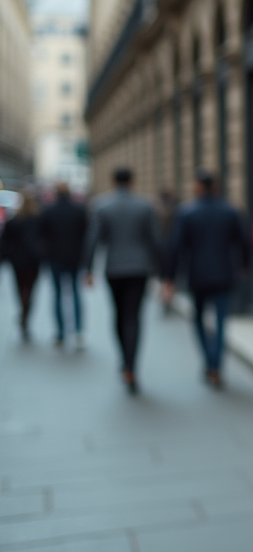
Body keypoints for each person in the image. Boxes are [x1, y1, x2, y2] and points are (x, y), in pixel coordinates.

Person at [162, 170, 251, 389]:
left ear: (198, 187)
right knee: (221, 322)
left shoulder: (187, 213)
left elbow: (175, 247)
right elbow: (245, 242)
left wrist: (169, 278)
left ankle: (209, 361)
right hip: (223, 274)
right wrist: (244, 266)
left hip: (198, 275)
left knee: (199, 320)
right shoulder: (229, 211)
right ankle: (216, 365)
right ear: (216, 187)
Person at [85, 168, 161, 394]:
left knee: (119, 315)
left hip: (115, 269)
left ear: (112, 181)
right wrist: (163, 272)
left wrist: (88, 269)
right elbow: (155, 240)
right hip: (139, 269)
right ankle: (131, 365)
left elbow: (93, 239)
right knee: (133, 317)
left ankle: (125, 361)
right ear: (133, 181)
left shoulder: (102, 205)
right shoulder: (145, 206)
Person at [40, 182, 89, 349]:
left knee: (58, 295)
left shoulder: (49, 210)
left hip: (55, 259)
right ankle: (78, 332)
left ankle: (60, 333)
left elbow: (43, 236)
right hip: (75, 258)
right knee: (76, 293)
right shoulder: (79, 210)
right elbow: (86, 235)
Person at [0, 190, 44, 342]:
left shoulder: (14, 221)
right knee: (30, 290)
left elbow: (5, 242)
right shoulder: (38, 220)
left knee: (20, 288)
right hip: (33, 261)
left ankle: (23, 312)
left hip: (17, 262)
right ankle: (25, 314)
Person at [155, 187, 179, 315]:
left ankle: (165, 298)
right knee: (171, 276)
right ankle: (168, 299)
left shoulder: (157, 211)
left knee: (164, 277)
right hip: (172, 248)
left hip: (161, 249)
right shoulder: (176, 211)